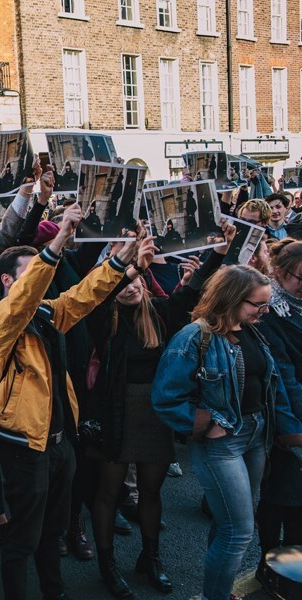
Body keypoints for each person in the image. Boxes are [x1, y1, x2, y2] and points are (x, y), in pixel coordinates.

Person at [0, 202, 143, 600]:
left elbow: (83, 296)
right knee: (23, 539)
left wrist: (122, 256)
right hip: (24, 446)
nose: (44, 279)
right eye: (34, 272)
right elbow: (22, 301)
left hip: (60, 442)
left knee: (53, 532)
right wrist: (60, 237)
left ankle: (55, 592)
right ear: (9, 282)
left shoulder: (47, 313)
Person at [85, 223, 234, 599]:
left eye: (138, 280)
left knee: (152, 492)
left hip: (154, 413)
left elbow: (194, 289)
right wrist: (131, 265)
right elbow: (101, 298)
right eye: (125, 281)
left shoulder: (162, 312)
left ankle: (150, 558)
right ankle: (107, 566)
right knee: (107, 493)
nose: (132, 286)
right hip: (114, 413)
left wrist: (218, 251)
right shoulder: (103, 318)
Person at [152, 265, 302, 600]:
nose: (264, 312)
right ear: (232, 298)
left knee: (226, 524)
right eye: (257, 305)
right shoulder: (193, 337)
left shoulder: (253, 331)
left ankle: (217, 590)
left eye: (266, 305)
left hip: (256, 439)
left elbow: (269, 385)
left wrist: (287, 430)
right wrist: (207, 423)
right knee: (238, 532)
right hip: (223, 445)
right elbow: (165, 399)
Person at [254, 240, 302, 585]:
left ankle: (289, 569)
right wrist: (291, 431)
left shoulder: (296, 305)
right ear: (281, 273)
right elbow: (282, 378)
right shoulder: (270, 312)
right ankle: (270, 566)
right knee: (281, 500)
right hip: (286, 422)